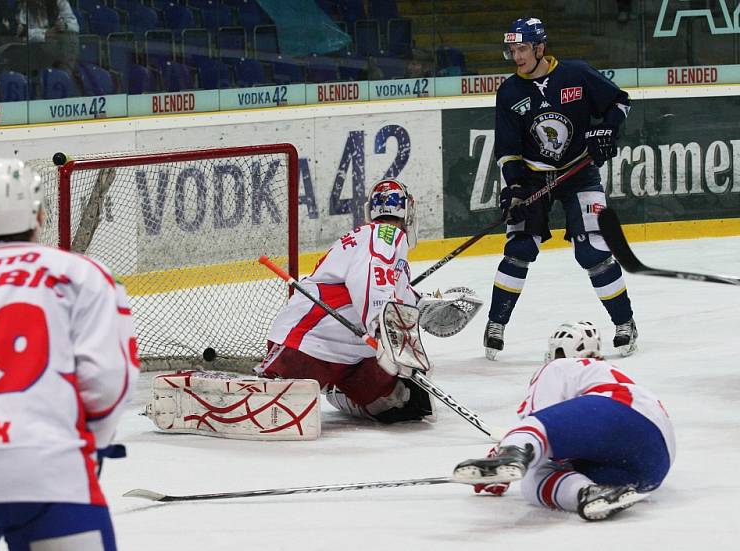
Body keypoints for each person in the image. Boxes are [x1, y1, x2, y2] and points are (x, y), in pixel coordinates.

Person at [0, 159, 139, 550]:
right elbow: (108, 381)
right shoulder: (81, 273)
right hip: (49, 466)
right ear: (40, 214)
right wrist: (91, 446)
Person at [257, 178, 481, 424]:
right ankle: (282, 380)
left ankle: (339, 389)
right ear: (408, 212)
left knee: (406, 403)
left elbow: (395, 295)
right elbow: (370, 281)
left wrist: (428, 309)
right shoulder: (386, 236)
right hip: (311, 343)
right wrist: (382, 329)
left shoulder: (385, 246)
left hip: (356, 358)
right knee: (274, 410)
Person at [483, 17, 637, 360]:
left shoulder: (577, 74)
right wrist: (517, 188)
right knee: (519, 248)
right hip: (535, 176)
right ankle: (496, 324)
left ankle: (625, 322)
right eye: (512, 50)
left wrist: (606, 131)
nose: (517, 56)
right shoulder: (509, 91)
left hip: (578, 173)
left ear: (540, 48)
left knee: (591, 250)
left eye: (522, 48)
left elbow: (621, 102)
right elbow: (508, 151)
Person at [454, 321, 675, 521]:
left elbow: (540, 421)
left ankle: (511, 456)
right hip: (655, 463)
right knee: (538, 478)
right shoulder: (606, 371)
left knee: (532, 460)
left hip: (616, 411)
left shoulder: (558, 367)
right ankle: (589, 493)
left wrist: (503, 456)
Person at [16, 0, 80, 75]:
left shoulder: (60, 2)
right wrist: (45, 33)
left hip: (59, 42)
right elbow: (22, 34)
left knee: (70, 38)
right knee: (58, 45)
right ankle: (64, 76)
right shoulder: (25, 6)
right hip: (36, 46)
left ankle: (64, 75)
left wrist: (65, 26)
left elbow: (75, 26)